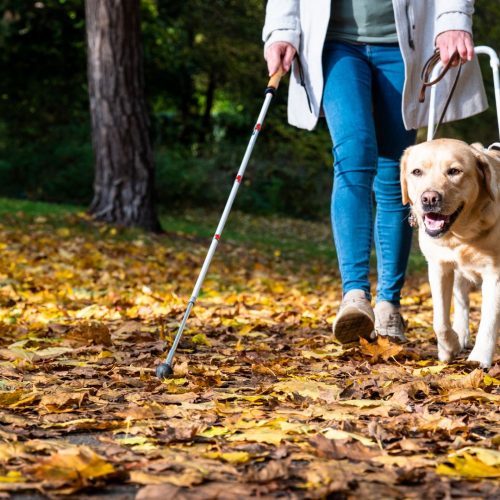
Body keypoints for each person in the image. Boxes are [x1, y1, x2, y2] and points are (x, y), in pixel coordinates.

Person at [263, 1, 486, 343]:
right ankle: (354, 297)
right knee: (354, 156)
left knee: (397, 173)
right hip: (334, 45)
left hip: (406, 42)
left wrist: (454, 18)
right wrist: (280, 31)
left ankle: (388, 305)